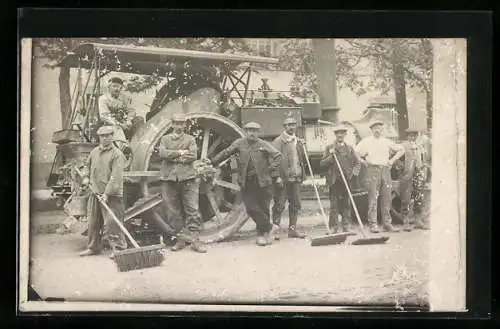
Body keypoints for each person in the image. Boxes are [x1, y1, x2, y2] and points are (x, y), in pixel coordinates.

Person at [210, 122, 282, 246]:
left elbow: (278, 156)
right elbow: (226, 152)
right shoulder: (239, 143)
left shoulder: (263, 144)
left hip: (264, 181)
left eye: (255, 131)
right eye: (249, 130)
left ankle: (263, 235)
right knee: (250, 207)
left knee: (264, 208)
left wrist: (270, 169)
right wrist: (212, 162)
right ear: (246, 131)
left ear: (259, 133)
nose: (252, 133)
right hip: (247, 181)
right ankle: (270, 227)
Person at [159, 113, 206, 253]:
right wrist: (181, 153)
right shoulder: (165, 139)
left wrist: (172, 155)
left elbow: (193, 155)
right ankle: (180, 240)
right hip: (169, 179)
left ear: (184, 125)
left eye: (181, 123)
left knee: (192, 209)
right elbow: (162, 154)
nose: (179, 126)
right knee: (173, 211)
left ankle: (195, 241)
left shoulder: (190, 139)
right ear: (172, 124)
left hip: (188, 179)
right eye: (176, 123)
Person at [79, 126, 128, 258]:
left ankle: (119, 248)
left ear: (113, 136)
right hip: (95, 193)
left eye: (108, 135)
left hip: (112, 196)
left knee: (112, 223)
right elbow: (86, 166)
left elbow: (116, 177)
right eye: (103, 136)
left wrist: (107, 194)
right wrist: (85, 177)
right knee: (93, 222)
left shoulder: (117, 155)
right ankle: (93, 247)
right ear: (99, 137)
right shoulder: (94, 152)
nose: (106, 138)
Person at [355, 119, 405, 233]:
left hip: (385, 170)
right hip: (373, 170)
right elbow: (355, 152)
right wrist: (362, 161)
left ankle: (387, 224)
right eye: (375, 128)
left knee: (387, 198)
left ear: (382, 129)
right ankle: (373, 224)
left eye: (379, 128)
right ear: (371, 130)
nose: (377, 130)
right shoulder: (366, 141)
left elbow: (401, 149)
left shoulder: (386, 141)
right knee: (373, 198)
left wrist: (392, 161)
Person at [320, 124, 361, 234]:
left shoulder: (350, 148)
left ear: (345, 134)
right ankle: (333, 227)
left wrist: (353, 173)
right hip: (334, 181)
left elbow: (357, 163)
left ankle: (346, 226)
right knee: (334, 205)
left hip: (347, 180)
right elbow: (322, 164)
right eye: (338, 133)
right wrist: (330, 156)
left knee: (346, 204)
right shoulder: (329, 148)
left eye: (342, 133)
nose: (340, 135)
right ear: (335, 135)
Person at [271, 117, 307, 239]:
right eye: (289, 125)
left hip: (295, 178)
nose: (292, 127)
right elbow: (273, 161)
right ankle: (274, 231)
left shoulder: (297, 141)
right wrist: (276, 177)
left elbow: (300, 159)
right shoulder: (279, 141)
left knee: (295, 204)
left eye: (293, 125)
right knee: (279, 205)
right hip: (283, 179)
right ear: (284, 127)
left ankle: (292, 230)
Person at [98, 77, 138, 154]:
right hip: (110, 124)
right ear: (109, 87)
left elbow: (131, 110)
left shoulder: (124, 98)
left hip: (124, 123)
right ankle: (124, 148)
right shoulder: (103, 99)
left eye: (119, 87)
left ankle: (140, 143)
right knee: (117, 128)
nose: (117, 89)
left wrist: (129, 120)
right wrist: (120, 124)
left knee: (139, 119)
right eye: (114, 86)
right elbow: (104, 116)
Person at [399, 127, 424, 232]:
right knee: (406, 198)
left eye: (414, 135)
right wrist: (401, 169)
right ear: (407, 136)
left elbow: (422, 158)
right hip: (407, 175)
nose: (412, 137)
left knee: (418, 197)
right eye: (410, 135)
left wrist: (422, 169)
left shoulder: (419, 146)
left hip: (418, 174)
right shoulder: (402, 146)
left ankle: (418, 221)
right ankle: (406, 222)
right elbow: (397, 159)